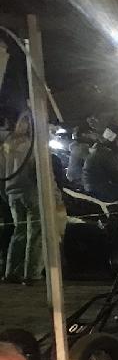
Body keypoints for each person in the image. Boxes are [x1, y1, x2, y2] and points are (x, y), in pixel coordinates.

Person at [1, 110, 42, 284]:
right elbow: (37, 170)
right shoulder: (33, 145)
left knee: (19, 231)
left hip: (12, 192)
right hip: (30, 191)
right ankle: (31, 273)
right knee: (35, 232)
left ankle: (12, 271)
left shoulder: (8, 145)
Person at [83, 126, 118, 206]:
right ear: (113, 142)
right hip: (99, 190)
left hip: (93, 188)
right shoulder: (106, 154)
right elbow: (116, 177)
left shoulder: (100, 151)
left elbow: (113, 174)